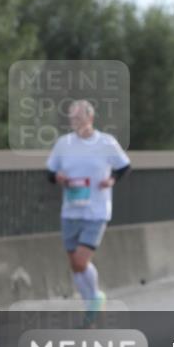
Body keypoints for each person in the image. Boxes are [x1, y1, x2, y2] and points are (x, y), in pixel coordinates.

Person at [46, 100, 131, 326]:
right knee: (74, 263)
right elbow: (50, 172)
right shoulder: (64, 144)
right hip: (71, 210)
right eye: (72, 119)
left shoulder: (106, 143)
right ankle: (90, 307)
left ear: (90, 118)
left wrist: (111, 180)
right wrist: (59, 178)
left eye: (79, 118)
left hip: (96, 210)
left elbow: (124, 167)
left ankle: (95, 298)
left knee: (82, 261)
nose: (75, 123)